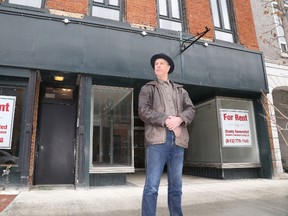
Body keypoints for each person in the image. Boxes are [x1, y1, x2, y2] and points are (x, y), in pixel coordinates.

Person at [138, 53, 196, 216]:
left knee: (176, 187)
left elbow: (191, 109)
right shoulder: (148, 88)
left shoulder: (181, 90)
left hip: (178, 143)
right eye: (156, 63)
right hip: (157, 142)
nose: (158, 65)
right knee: (151, 187)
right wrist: (166, 120)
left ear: (168, 67)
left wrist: (180, 120)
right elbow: (143, 111)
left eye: (161, 63)